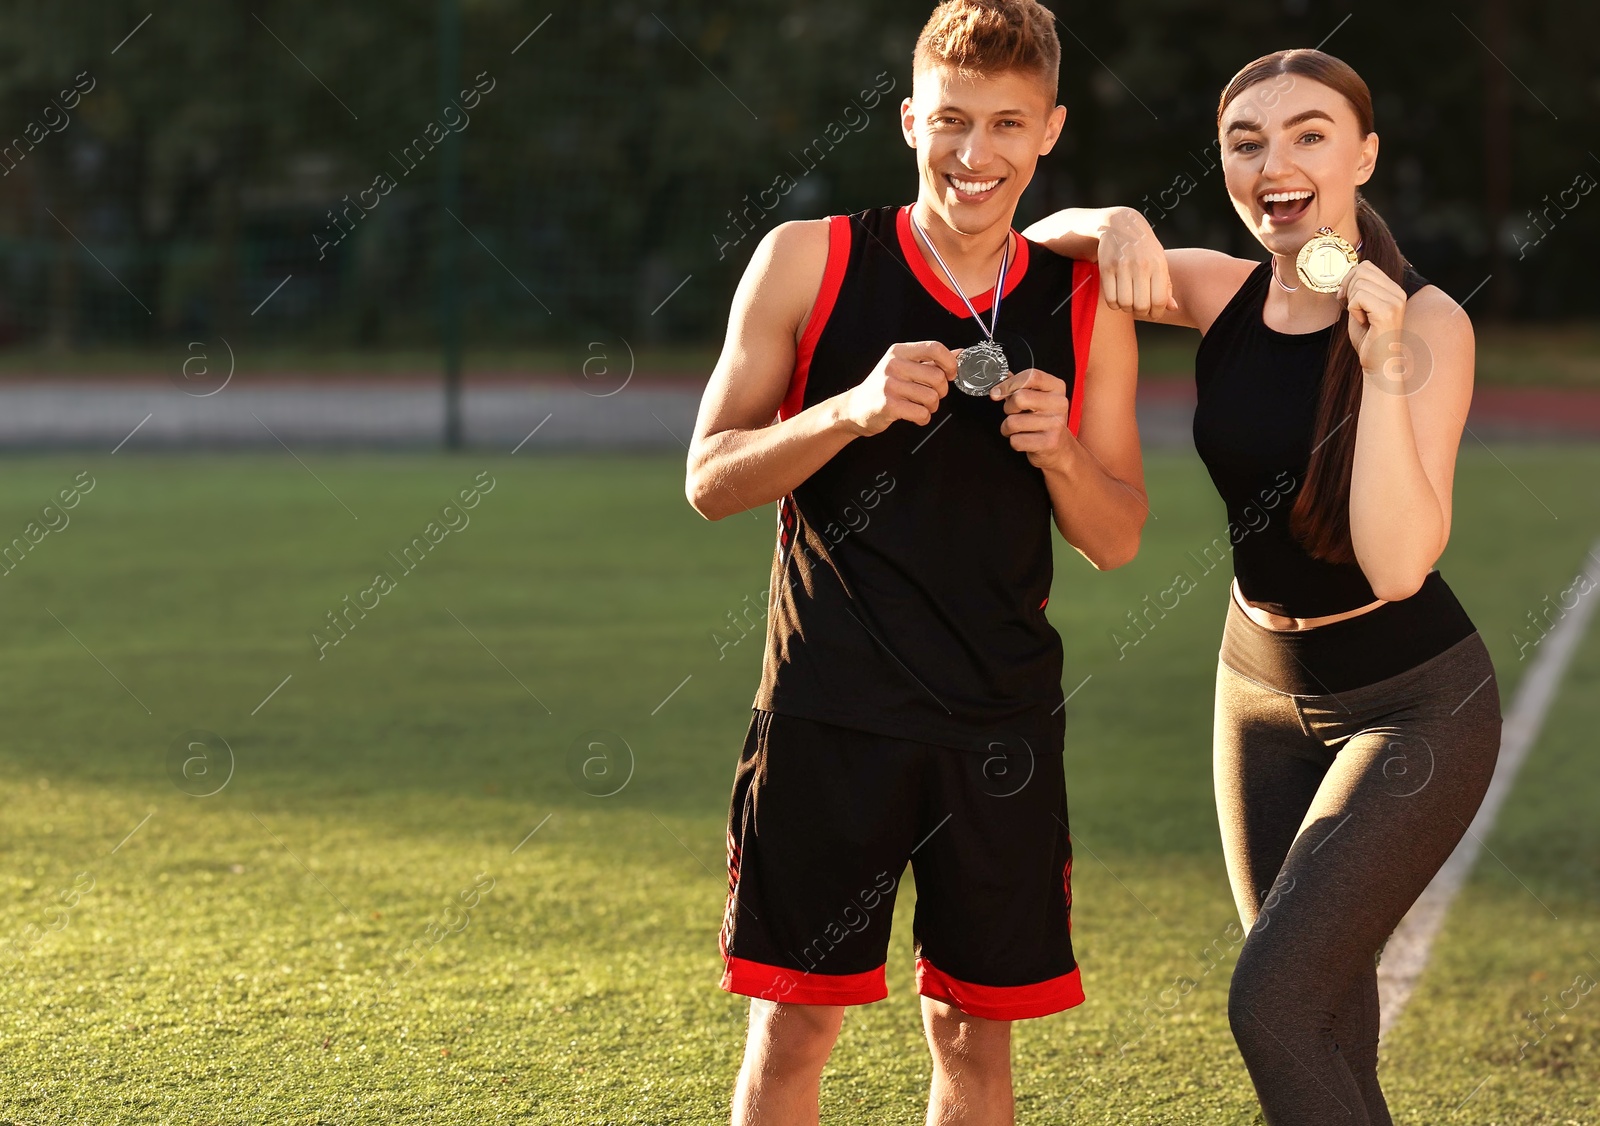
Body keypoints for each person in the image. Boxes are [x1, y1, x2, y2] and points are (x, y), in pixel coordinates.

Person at [684, 1, 1145, 1122]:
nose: (974, 153)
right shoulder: (809, 257)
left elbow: (1117, 535)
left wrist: (1062, 454)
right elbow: (710, 479)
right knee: (795, 1029)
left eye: (1005, 124)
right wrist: (845, 409)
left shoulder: (1082, 303)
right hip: (828, 710)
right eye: (949, 121)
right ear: (906, 120)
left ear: (1048, 132)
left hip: (1000, 724)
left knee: (973, 1041)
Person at [1025, 49, 1502, 1126]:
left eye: (1308, 134)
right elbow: (1029, 245)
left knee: (1273, 1002)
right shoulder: (1226, 289)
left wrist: (1379, 367)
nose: (1273, 161)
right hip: (1255, 692)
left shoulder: (1427, 326)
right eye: (1246, 142)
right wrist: (1112, 223)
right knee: (1326, 1022)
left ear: (1363, 155)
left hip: (1412, 702)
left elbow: (1395, 561)